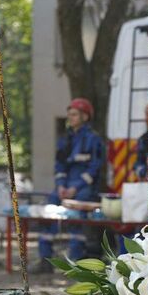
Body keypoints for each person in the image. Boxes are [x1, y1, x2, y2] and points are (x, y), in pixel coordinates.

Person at [33, 97, 105, 273]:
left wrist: (75, 188)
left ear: (85, 117)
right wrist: (60, 186)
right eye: (69, 115)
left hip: (84, 190)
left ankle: (75, 262)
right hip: (64, 187)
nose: (70, 118)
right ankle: (45, 260)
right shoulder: (65, 140)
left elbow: (95, 168)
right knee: (47, 212)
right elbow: (60, 167)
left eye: (74, 114)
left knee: (75, 217)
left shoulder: (93, 140)